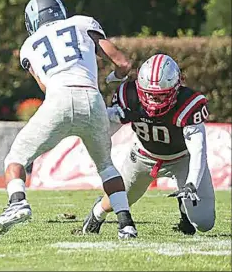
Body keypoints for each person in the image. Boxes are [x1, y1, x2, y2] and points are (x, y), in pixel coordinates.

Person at [0, 0, 137, 239]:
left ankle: (17, 202)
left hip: (59, 98)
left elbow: (45, 87)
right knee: (106, 167)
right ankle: (126, 224)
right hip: (92, 98)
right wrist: (114, 78)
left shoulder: (29, 44)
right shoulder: (82, 23)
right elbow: (123, 63)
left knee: (16, 159)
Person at [82, 54, 215, 236]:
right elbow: (104, 129)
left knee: (205, 222)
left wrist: (191, 183)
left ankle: (185, 209)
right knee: (120, 199)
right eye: (149, 95)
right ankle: (96, 214)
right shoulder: (128, 95)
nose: (153, 101)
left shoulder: (188, 103)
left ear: (176, 88)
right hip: (143, 156)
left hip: (182, 158)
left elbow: (198, 149)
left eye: (160, 96)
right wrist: (113, 116)